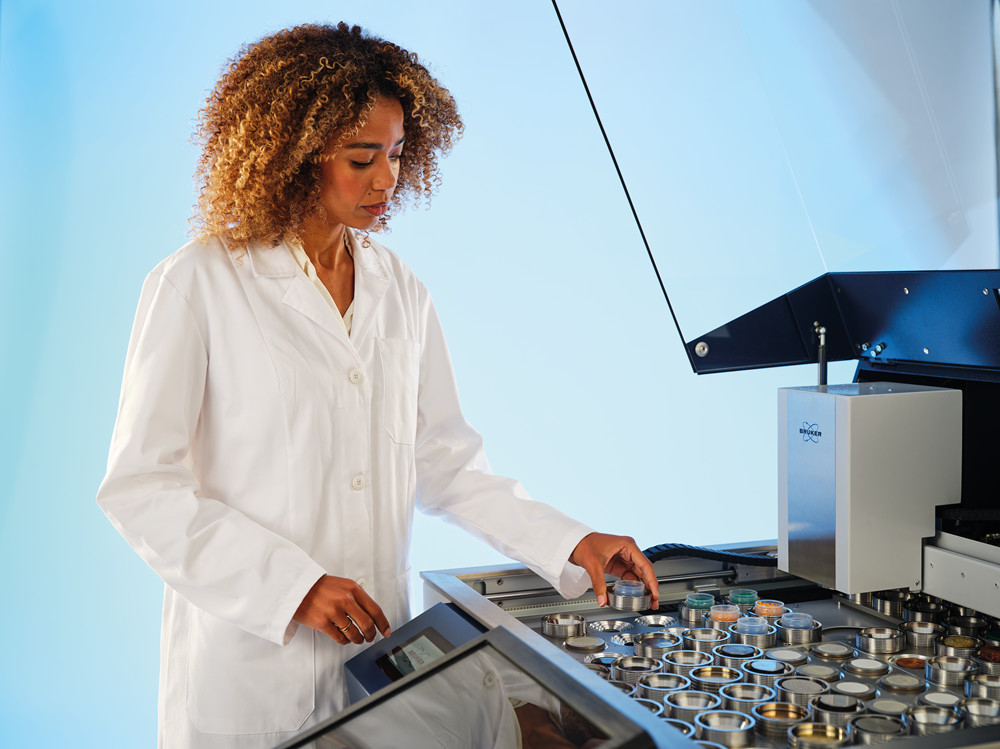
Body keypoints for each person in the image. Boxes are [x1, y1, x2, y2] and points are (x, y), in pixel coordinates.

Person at [96, 22, 658, 749]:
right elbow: (142, 489)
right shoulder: (198, 284)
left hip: (378, 666)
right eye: (362, 157)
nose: (387, 178)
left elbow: (446, 464)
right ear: (295, 154)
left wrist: (570, 540)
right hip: (251, 676)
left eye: (395, 154)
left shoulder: (400, 290)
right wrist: (289, 585)